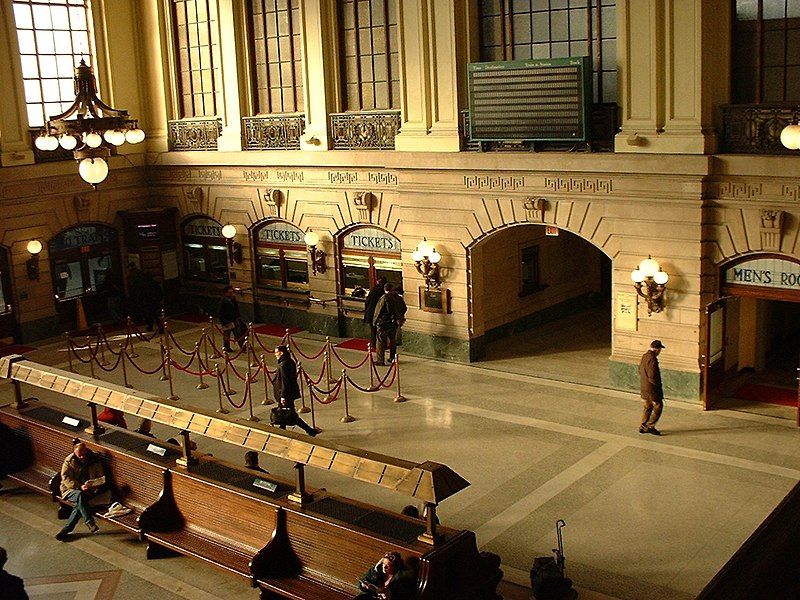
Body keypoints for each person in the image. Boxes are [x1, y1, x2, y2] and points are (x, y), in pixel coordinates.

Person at [55, 443, 105, 541]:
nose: (82, 457)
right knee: (80, 495)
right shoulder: (69, 460)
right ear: (74, 453)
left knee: (80, 504)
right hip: (70, 490)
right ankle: (89, 521)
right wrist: (79, 486)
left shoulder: (94, 460)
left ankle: (66, 530)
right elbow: (66, 478)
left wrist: (92, 485)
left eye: (84, 454)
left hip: (89, 490)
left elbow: (101, 477)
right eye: (79, 455)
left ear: (86, 451)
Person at [271, 345, 318, 436]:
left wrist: (283, 396)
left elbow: (285, 382)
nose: (275, 354)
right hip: (287, 393)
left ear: (281, 353)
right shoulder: (289, 361)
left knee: (291, 414)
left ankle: (309, 430)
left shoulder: (283, 364)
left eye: (276, 352)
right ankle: (282, 428)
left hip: (285, 394)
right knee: (283, 412)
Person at [372, 283, 407, 366]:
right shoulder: (398, 297)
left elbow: (378, 310)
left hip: (384, 322)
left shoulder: (384, 298)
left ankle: (380, 360)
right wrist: (399, 316)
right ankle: (392, 358)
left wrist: (375, 321)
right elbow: (404, 308)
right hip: (394, 322)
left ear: (385, 289)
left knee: (380, 341)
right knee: (393, 341)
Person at [639, 339, 666, 435]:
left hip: (644, 386)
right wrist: (657, 388)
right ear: (657, 349)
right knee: (658, 406)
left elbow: (640, 370)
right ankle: (650, 426)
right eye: (660, 349)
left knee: (647, 406)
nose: (660, 352)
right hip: (651, 389)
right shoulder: (653, 359)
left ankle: (642, 426)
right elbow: (652, 376)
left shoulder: (645, 356)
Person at [218, 285, 245, 353]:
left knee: (238, 334)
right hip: (227, 321)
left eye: (232, 292)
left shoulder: (233, 299)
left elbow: (236, 309)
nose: (231, 294)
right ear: (225, 293)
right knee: (227, 335)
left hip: (235, 319)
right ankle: (226, 347)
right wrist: (224, 322)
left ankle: (242, 347)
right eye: (230, 292)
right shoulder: (222, 302)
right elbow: (220, 313)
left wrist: (238, 317)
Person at [363, 276, 387, 349]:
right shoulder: (382, 292)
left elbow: (367, 301)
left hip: (371, 312)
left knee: (373, 330)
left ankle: (374, 345)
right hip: (380, 313)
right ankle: (382, 345)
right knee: (381, 330)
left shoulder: (374, 290)